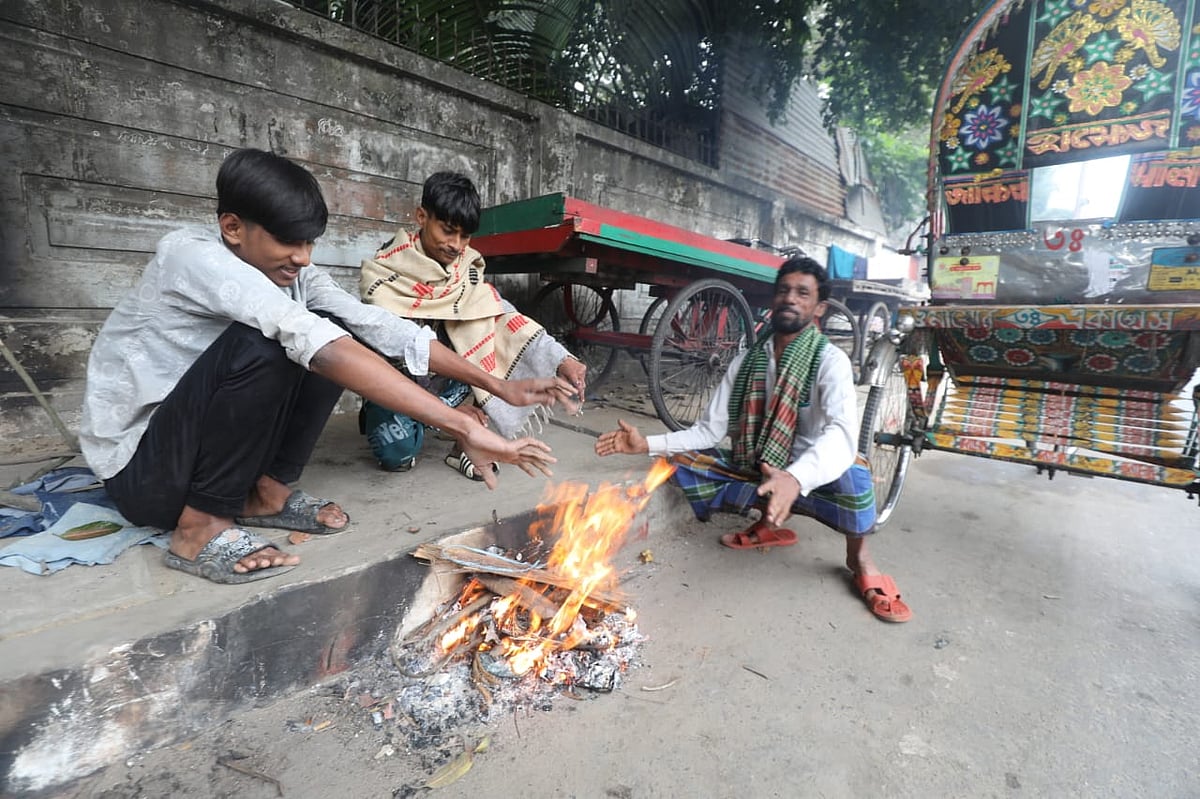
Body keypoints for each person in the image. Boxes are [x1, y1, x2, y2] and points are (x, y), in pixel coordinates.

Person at [79, 149, 570, 585]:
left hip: (197, 458)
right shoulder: (191, 256)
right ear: (232, 228)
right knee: (277, 341)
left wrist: (495, 386)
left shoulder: (295, 271)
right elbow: (316, 343)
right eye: (289, 242)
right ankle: (198, 527)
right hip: (144, 474)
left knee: (337, 326)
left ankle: (266, 493)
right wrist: (462, 425)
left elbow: (378, 325)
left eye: (310, 243)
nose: (303, 258)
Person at [594, 256, 911, 623]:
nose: (790, 298)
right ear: (774, 299)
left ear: (819, 307)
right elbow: (710, 431)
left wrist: (795, 478)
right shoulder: (746, 361)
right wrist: (645, 444)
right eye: (784, 290)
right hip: (759, 465)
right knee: (680, 462)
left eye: (802, 293)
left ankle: (860, 559)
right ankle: (769, 524)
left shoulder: (830, 361)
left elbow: (841, 435)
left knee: (854, 472)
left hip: (811, 473)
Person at [357, 171, 587, 479]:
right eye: (448, 231)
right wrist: (450, 414)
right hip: (397, 382)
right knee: (396, 453)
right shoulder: (386, 274)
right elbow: (389, 356)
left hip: (449, 380)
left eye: (464, 236)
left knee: (491, 335)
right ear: (422, 216)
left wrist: (562, 359)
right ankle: (450, 423)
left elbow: (504, 315)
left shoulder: (466, 269)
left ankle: (465, 444)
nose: (456, 245)